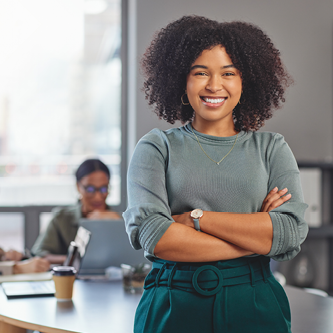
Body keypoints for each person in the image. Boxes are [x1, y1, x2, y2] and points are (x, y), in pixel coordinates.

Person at [123, 16, 308, 333]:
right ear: (182, 80)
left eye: (228, 73)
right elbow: (155, 237)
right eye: (200, 73)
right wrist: (257, 238)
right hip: (172, 304)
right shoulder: (155, 147)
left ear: (244, 81)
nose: (213, 85)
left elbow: (289, 232)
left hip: (255, 303)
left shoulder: (271, 148)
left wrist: (196, 218)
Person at [32, 158, 120, 264]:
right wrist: (74, 260)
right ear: (78, 187)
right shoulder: (62, 218)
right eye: (90, 189)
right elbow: (38, 254)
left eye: (103, 189)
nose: (98, 197)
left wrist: (118, 223)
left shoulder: (118, 220)